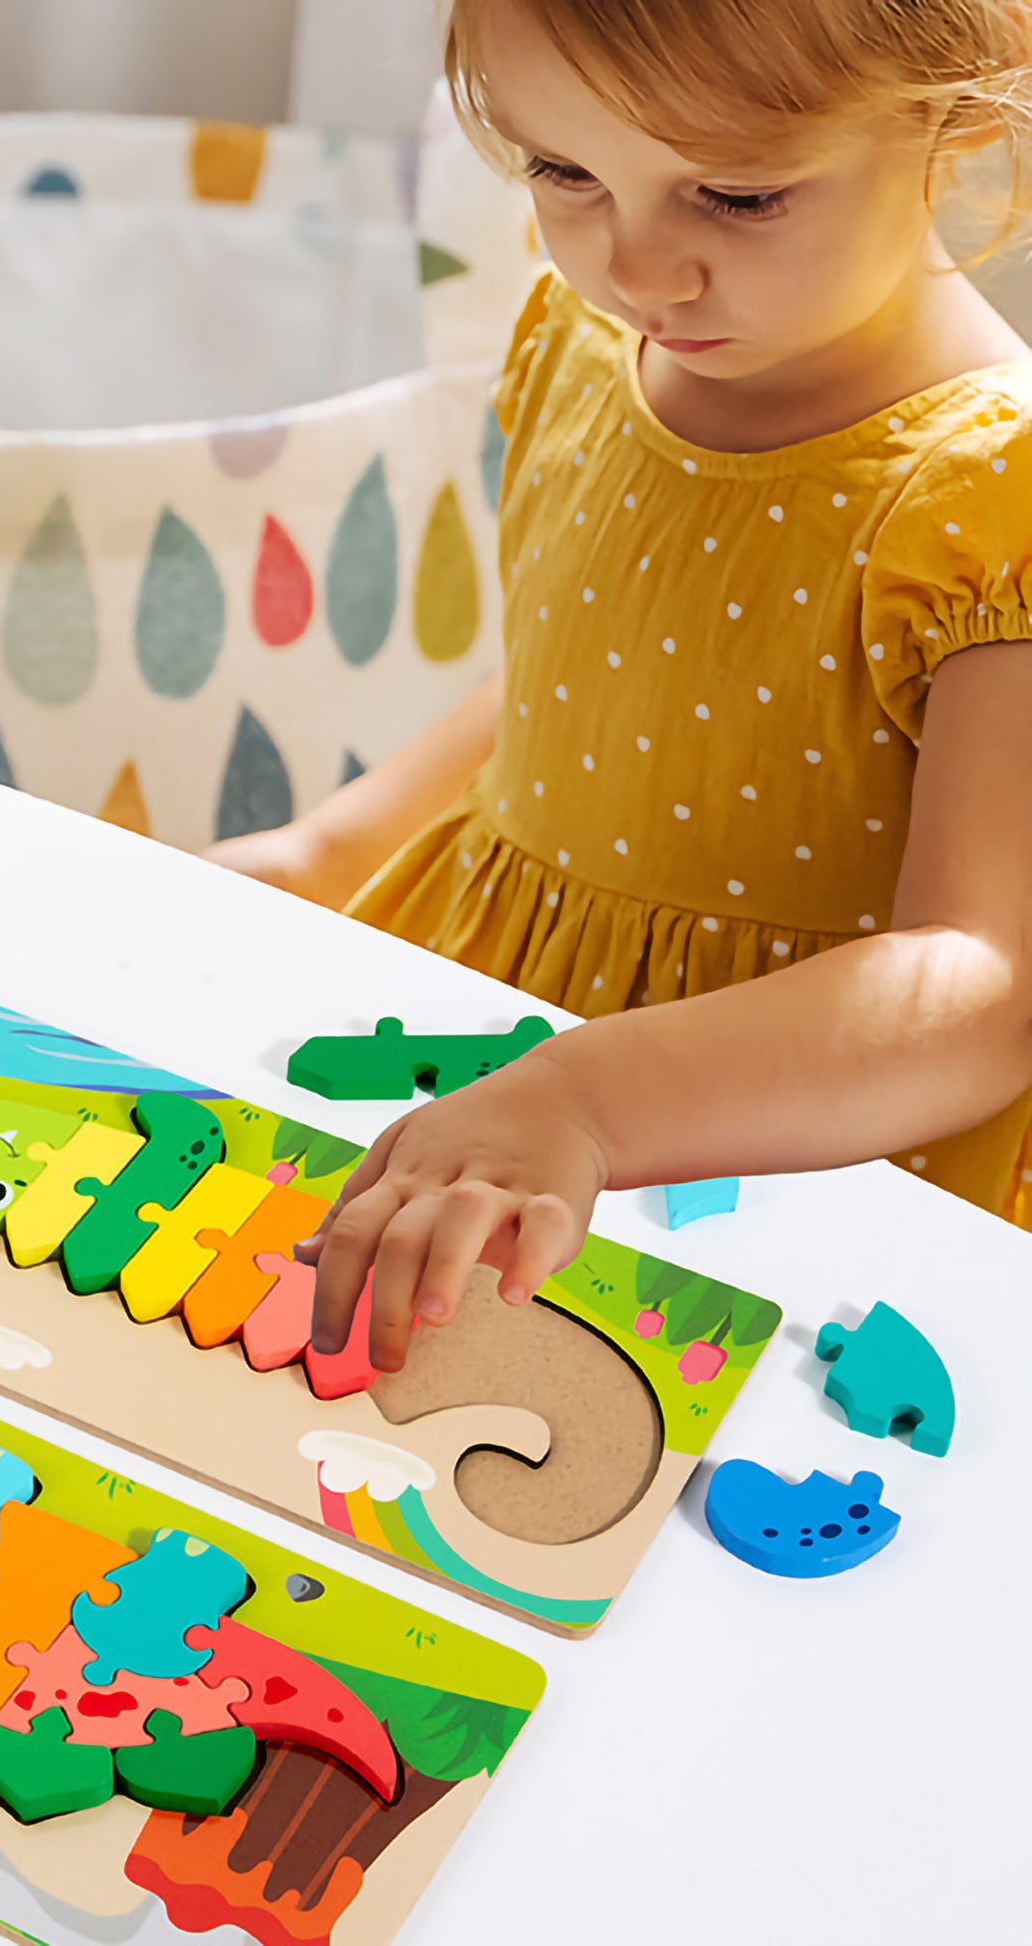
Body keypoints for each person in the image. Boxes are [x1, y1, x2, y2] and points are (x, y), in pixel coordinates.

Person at [210, 0, 1032, 1373]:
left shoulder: (985, 499)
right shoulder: (587, 345)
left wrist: (588, 1101)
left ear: (951, 110)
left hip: (790, 1162)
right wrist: (321, 853)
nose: (640, 266)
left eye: (736, 193)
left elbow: (980, 986)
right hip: (498, 1059)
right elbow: (569, 687)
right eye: (562, 173)